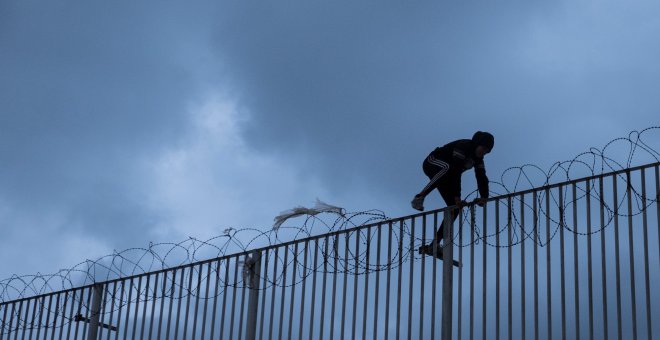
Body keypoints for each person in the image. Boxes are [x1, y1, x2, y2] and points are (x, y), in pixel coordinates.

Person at [412, 131, 494, 252]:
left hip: (448, 175)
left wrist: (484, 197)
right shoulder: (464, 147)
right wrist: (457, 197)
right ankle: (420, 197)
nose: (484, 152)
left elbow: (481, 177)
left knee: (454, 208)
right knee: (447, 168)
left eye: (487, 151)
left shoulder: (479, 160)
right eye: (483, 148)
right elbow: (456, 171)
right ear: (477, 144)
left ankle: (434, 244)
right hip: (432, 162)